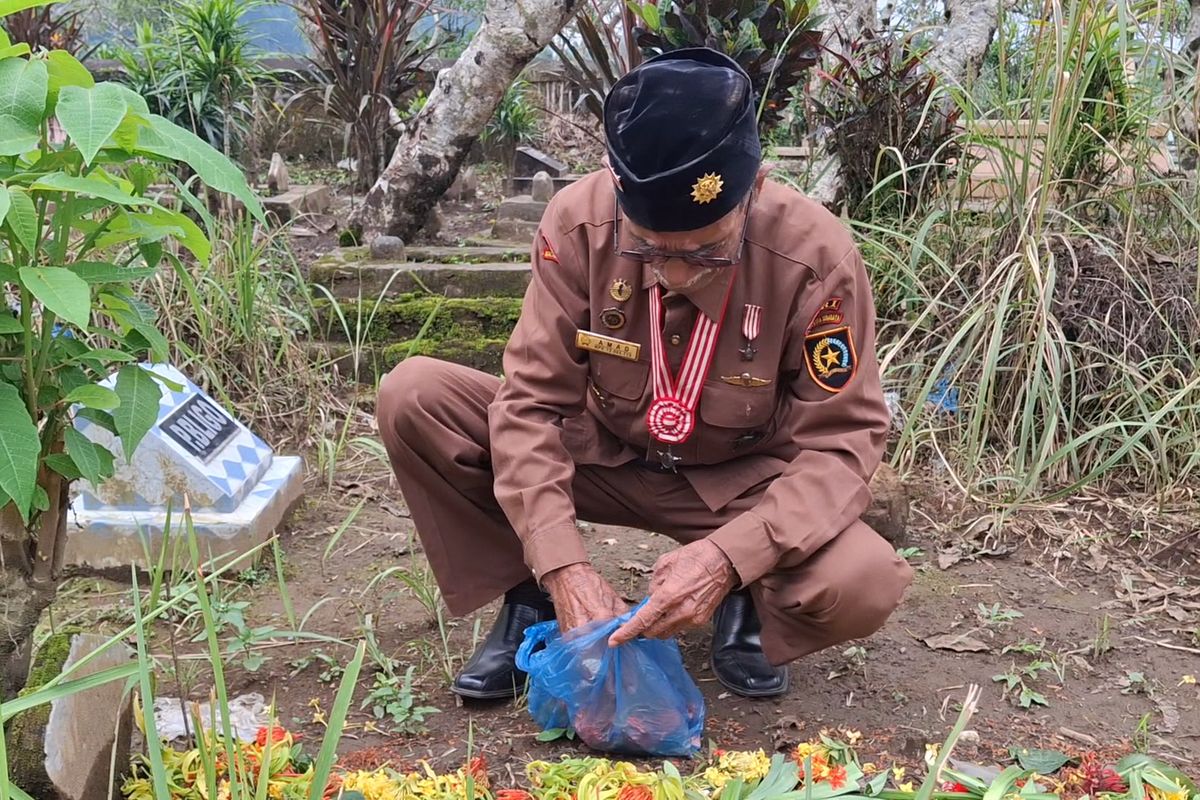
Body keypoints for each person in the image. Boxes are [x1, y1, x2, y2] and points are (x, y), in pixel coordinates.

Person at [375, 46, 913, 701]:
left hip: (742, 485)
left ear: (756, 188)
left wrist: (729, 558)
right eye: (651, 249)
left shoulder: (815, 256)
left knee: (863, 580)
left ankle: (745, 595)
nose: (676, 273)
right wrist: (562, 567)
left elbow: (842, 441)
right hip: (604, 456)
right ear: (616, 185)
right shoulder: (579, 223)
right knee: (414, 396)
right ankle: (531, 599)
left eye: (706, 251)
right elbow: (530, 405)